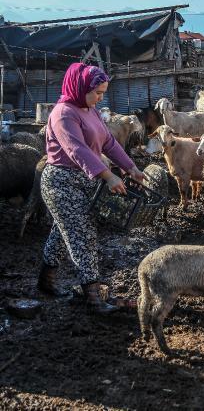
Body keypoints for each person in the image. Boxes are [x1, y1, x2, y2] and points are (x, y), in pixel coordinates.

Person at [38, 63, 145, 314]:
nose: (100, 98)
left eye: (103, 92)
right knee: (82, 234)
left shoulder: (91, 111)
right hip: (61, 182)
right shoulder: (63, 113)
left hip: (84, 181)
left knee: (62, 232)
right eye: (97, 92)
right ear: (80, 87)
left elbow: (108, 142)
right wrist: (108, 176)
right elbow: (78, 150)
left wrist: (131, 168)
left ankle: (45, 282)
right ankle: (94, 297)